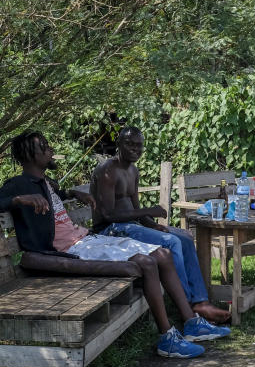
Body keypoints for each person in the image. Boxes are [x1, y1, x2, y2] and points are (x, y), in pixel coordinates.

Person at [0, 131, 223, 359]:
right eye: (44, 147)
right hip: (70, 250)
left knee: (164, 254)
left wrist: (71, 194)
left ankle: (191, 322)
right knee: (146, 262)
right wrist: (18, 199)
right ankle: (167, 338)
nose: (49, 150)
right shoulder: (19, 184)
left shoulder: (46, 183)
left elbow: (55, 198)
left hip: (86, 239)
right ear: (30, 155)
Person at [91, 127, 231, 325]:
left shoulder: (133, 170)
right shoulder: (108, 170)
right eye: (130, 144)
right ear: (119, 144)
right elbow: (107, 215)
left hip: (130, 225)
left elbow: (135, 208)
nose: (135, 149)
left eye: (139, 145)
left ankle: (201, 301)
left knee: (184, 237)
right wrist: (149, 212)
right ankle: (188, 304)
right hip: (110, 230)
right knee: (171, 242)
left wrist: (152, 224)